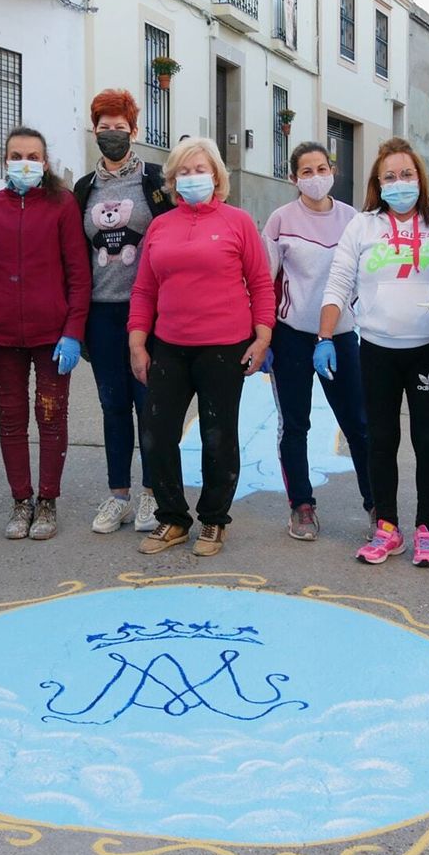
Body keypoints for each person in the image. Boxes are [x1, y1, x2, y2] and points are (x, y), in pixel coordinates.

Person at [129, 137, 275, 557]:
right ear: (173, 180)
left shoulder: (238, 222)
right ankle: (172, 519)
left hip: (224, 348)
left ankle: (213, 520)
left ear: (216, 176)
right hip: (169, 347)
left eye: (201, 169)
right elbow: (144, 289)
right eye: (184, 172)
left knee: (217, 437)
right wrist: (137, 341)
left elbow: (260, 283)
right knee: (156, 435)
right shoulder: (160, 226)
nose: (193, 178)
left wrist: (262, 336)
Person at [318, 138, 429, 566]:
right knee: (381, 439)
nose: (399, 183)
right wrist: (324, 338)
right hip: (376, 350)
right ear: (378, 183)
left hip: (427, 349)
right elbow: (338, 282)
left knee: (427, 440)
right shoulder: (362, 226)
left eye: (407, 175)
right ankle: (387, 526)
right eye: (390, 177)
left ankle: (427, 529)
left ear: (420, 178)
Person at [0, 127, 90, 541]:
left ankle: (48, 501)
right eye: (17, 155)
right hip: (2, 338)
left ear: (45, 162)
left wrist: (73, 332)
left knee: (51, 418)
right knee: (12, 420)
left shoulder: (62, 204)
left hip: (52, 336)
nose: (25, 163)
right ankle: (21, 500)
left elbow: (78, 275)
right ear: (4, 161)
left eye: (33, 156)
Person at [72, 89, 173, 536]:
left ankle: (153, 494)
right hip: (102, 313)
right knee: (112, 405)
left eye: (120, 126)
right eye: (103, 126)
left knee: (150, 406)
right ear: (94, 131)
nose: (111, 133)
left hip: (148, 314)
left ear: (134, 130)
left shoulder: (155, 181)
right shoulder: (84, 189)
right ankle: (118, 496)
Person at [261, 141, 374, 541]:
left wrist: (357, 315)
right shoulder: (280, 220)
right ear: (293, 178)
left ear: (333, 171)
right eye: (305, 172)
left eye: (321, 169)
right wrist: (263, 336)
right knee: (294, 424)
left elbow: (365, 274)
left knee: (359, 423)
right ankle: (302, 506)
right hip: (291, 336)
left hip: (341, 337)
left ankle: (376, 505)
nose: (315, 178)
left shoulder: (353, 219)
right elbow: (264, 279)